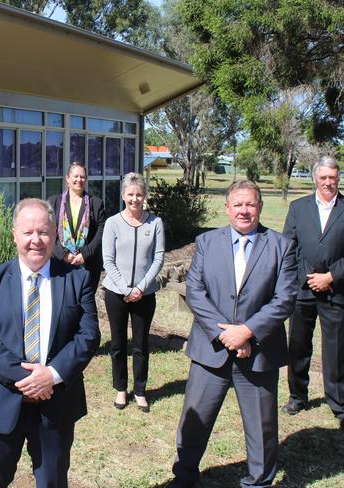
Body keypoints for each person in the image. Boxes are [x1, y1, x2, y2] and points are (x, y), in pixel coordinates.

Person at [0, 198, 100, 488]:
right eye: (28, 233)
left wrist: (50, 376)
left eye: (43, 232)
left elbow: (88, 336)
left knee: (52, 482)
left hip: (56, 404)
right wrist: (28, 377)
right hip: (1, 402)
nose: (36, 240)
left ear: (55, 235)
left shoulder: (78, 279)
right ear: (14, 234)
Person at [171, 181, 297, 488]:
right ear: (227, 208)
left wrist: (248, 333)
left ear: (260, 208)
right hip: (210, 350)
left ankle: (258, 481)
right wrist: (226, 335)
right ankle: (185, 477)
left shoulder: (282, 246)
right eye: (238, 204)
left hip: (259, 353)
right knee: (194, 421)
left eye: (251, 204)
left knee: (262, 427)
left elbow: (285, 299)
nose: (244, 210)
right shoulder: (206, 241)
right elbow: (196, 291)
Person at [282, 156, 344, 429]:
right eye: (324, 178)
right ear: (314, 179)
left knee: (336, 350)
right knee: (297, 345)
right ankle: (297, 395)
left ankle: (338, 402)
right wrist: (309, 278)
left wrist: (331, 276)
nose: (328, 182)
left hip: (336, 289)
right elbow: (288, 247)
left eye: (333, 177)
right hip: (302, 290)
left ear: (338, 178)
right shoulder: (298, 208)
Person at [102, 172, 164, 412]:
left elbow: (158, 258)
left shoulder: (155, 223)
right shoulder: (113, 223)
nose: (135, 199)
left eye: (139, 194)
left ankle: (139, 391)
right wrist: (125, 288)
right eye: (130, 194)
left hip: (144, 295)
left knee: (140, 344)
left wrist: (140, 288)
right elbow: (108, 260)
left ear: (145, 196)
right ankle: (120, 389)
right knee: (118, 343)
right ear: (123, 196)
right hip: (116, 294)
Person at [48, 162, 106, 291]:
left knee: (85, 303)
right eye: (75, 176)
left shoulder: (96, 204)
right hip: (60, 262)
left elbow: (101, 232)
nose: (79, 180)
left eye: (82, 176)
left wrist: (85, 254)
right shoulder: (54, 202)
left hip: (88, 264)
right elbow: (49, 231)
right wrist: (63, 254)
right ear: (67, 178)